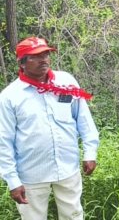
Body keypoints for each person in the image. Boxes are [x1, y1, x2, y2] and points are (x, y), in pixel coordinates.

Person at [0, 37, 99, 220]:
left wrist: (90, 153)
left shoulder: (66, 82)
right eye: (35, 56)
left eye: (46, 54)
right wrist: (13, 181)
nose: (43, 59)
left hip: (68, 167)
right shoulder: (10, 97)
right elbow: (3, 142)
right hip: (31, 174)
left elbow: (84, 119)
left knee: (73, 215)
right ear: (22, 63)